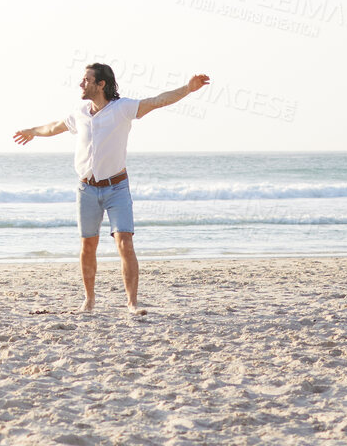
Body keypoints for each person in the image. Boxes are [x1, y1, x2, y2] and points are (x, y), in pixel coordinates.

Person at [12, 63, 209, 316]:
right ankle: (89, 300)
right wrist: (33, 132)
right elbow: (54, 127)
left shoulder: (122, 108)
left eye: (86, 80)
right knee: (88, 245)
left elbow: (157, 101)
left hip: (117, 187)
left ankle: (132, 303)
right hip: (86, 189)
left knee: (125, 243)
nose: (81, 84)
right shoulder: (80, 111)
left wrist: (188, 89)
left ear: (101, 84)